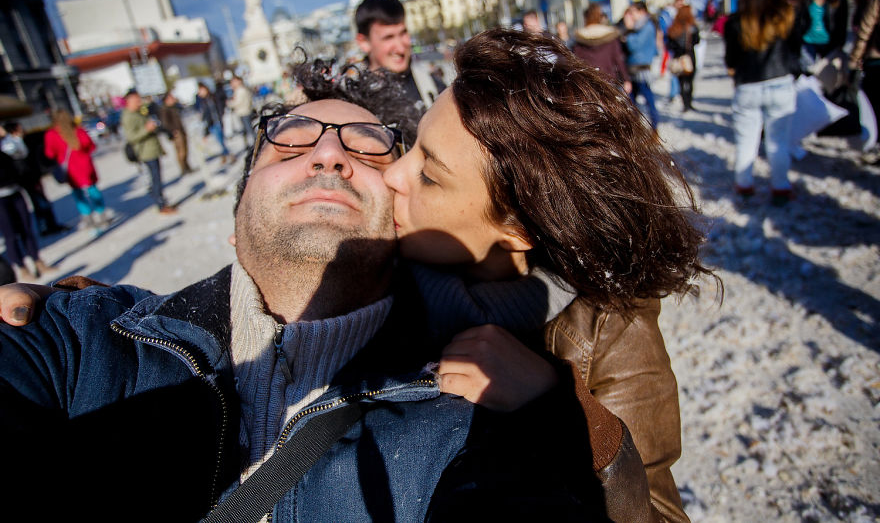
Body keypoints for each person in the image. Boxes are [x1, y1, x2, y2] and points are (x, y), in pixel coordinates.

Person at [1, 29, 705, 523]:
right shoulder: (88, 341)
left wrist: (561, 409)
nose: (338, 159)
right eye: (292, 139)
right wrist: (83, 310)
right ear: (238, 204)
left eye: (376, 149)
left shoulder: (521, 374)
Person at [725, 0, 800, 205]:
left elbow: (731, 60)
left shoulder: (737, 22)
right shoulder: (786, 15)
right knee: (778, 142)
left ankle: (744, 185)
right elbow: (795, 50)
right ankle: (780, 187)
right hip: (780, 82)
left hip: (748, 86)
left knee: (746, 141)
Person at [354, 0, 439, 117]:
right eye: (388, 37)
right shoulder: (354, 102)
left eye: (403, 33)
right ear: (364, 42)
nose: (400, 48)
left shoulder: (433, 86)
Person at [0, 131, 55, 281]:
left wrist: (9, 137)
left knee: (27, 229)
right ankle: (22, 267)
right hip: (1, 200)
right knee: (10, 235)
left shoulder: (6, 144)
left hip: (16, 191)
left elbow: (21, 153)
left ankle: (38, 261)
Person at [43, 109, 110, 232]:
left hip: (70, 171)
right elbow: (91, 146)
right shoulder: (78, 131)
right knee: (93, 190)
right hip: (85, 166)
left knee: (78, 194)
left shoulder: (52, 134)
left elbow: (49, 153)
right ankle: (101, 214)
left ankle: (87, 217)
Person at [1, 121, 67, 235]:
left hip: (30, 177)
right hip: (28, 178)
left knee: (40, 202)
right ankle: (46, 227)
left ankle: (48, 225)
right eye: (19, 127)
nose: (22, 129)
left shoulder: (18, 141)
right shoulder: (10, 144)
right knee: (39, 203)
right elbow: (22, 156)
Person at [121, 89, 177, 214]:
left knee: (157, 178)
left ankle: (161, 200)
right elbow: (131, 137)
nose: (139, 101)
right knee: (155, 178)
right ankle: (161, 204)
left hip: (152, 149)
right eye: (136, 99)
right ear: (129, 100)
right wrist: (147, 129)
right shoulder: (128, 116)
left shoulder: (139, 112)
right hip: (145, 152)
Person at [850, 0, 880, 154]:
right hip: (875, 57)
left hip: (876, 58)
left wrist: (855, 58)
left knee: (877, 106)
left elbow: (866, 26)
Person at [573, 2, 632, 94]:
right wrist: (626, 79)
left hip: (589, 84)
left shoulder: (580, 39)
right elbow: (618, 59)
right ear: (600, 17)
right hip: (609, 81)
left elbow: (576, 63)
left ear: (585, 18)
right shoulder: (610, 36)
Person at [801, 0, 849, 69]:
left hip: (828, 42)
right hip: (808, 40)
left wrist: (841, 42)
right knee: (808, 72)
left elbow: (842, 20)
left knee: (827, 73)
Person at [623, 1, 660, 132]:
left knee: (648, 101)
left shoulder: (647, 26)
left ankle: (654, 128)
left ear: (642, 12)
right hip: (633, 70)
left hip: (642, 70)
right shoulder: (639, 27)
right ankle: (637, 129)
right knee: (632, 103)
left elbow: (634, 46)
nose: (631, 15)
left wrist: (628, 33)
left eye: (633, 12)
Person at [666, 5, 701, 112]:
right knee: (689, 81)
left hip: (678, 58)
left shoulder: (673, 27)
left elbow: (669, 44)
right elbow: (697, 41)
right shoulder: (692, 27)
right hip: (689, 57)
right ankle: (688, 102)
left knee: (681, 82)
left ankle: (685, 103)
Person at [157, 92, 194, 176]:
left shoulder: (173, 107)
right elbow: (165, 123)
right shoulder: (164, 109)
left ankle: (187, 166)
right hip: (176, 133)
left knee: (185, 149)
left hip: (181, 130)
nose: (173, 98)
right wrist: (172, 131)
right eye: (171, 97)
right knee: (181, 151)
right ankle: (183, 168)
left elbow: (182, 108)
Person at [196, 82, 232, 165]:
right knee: (220, 142)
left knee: (221, 142)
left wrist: (221, 117)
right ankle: (226, 156)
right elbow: (205, 115)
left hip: (216, 122)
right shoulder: (203, 101)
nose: (200, 93)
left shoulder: (212, 98)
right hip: (211, 124)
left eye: (201, 90)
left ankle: (228, 156)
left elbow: (217, 109)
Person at [228, 75, 255, 144]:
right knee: (247, 130)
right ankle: (252, 144)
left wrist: (229, 103)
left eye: (234, 81)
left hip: (244, 112)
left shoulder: (240, 90)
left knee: (249, 130)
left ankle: (256, 143)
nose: (232, 83)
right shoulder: (240, 89)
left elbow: (238, 102)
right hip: (244, 111)